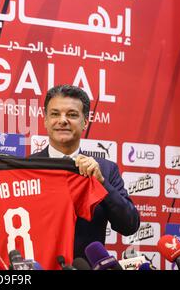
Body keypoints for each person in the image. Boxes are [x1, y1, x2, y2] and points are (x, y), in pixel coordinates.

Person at [30, 84, 140, 259]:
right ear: (45, 120)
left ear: (85, 122)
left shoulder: (106, 170)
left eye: (72, 115)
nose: (63, 120)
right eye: (55, 114)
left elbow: (129, 225)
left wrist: (102, 184)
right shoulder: (26, 168)